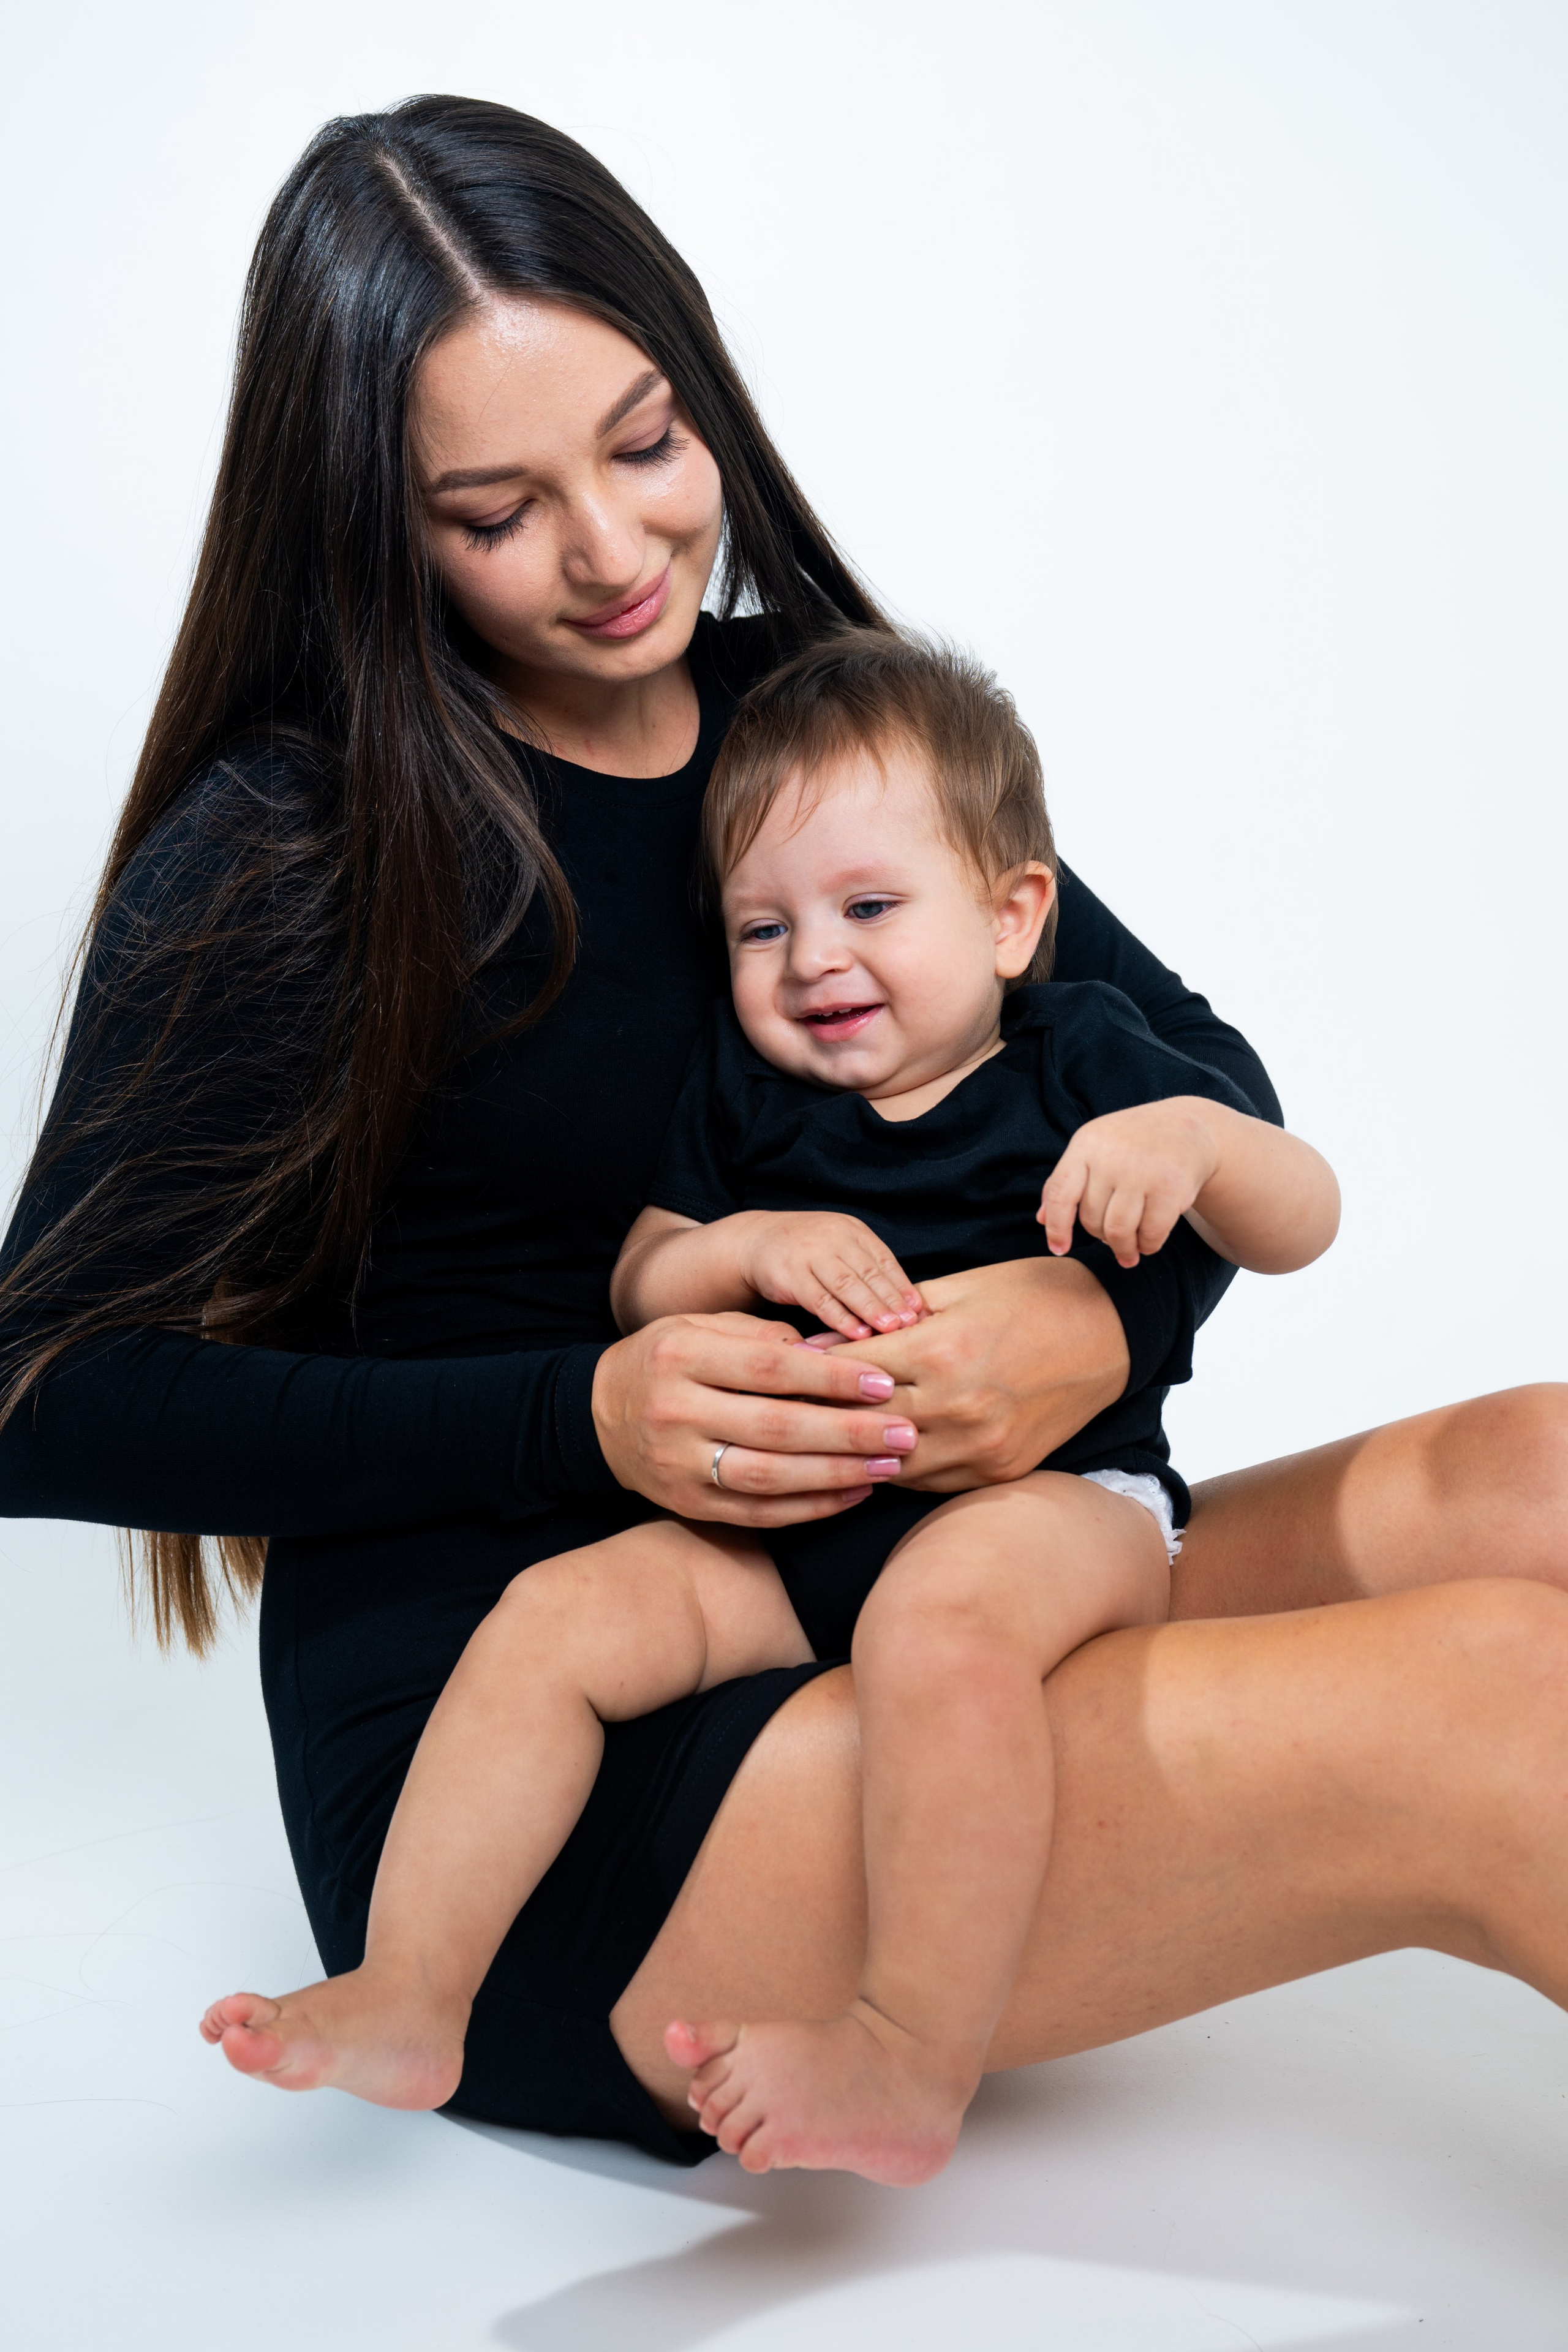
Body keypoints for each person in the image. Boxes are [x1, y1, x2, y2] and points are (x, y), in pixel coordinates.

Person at [2, 97, 1567, 2174]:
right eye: (495, 507)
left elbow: (1194, 1085)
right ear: (374, 526)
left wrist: (1100, 1338)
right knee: (1498, 1715)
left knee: (1543, 1472)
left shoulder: (810, 734)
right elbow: (41, 1402)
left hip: (921, 1562)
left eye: (645, 444)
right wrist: (593, 1417)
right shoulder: (291, 843)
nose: (614, 548)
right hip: (553, 1746)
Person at [198, 632, 1339, 2180]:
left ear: (1011, 918)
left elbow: (1304, 1215)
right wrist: (735, 1245)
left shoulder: (1079, 1055)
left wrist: (1201, 1150)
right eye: (760, 927)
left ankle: (908, 2056)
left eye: (869, 908)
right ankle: (414, 1988)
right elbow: (646, 1279)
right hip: (788, 1530)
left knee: (939, 1635)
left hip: (1047, 1513)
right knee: (552, 1624)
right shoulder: (747, 1100)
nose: (813, 960)